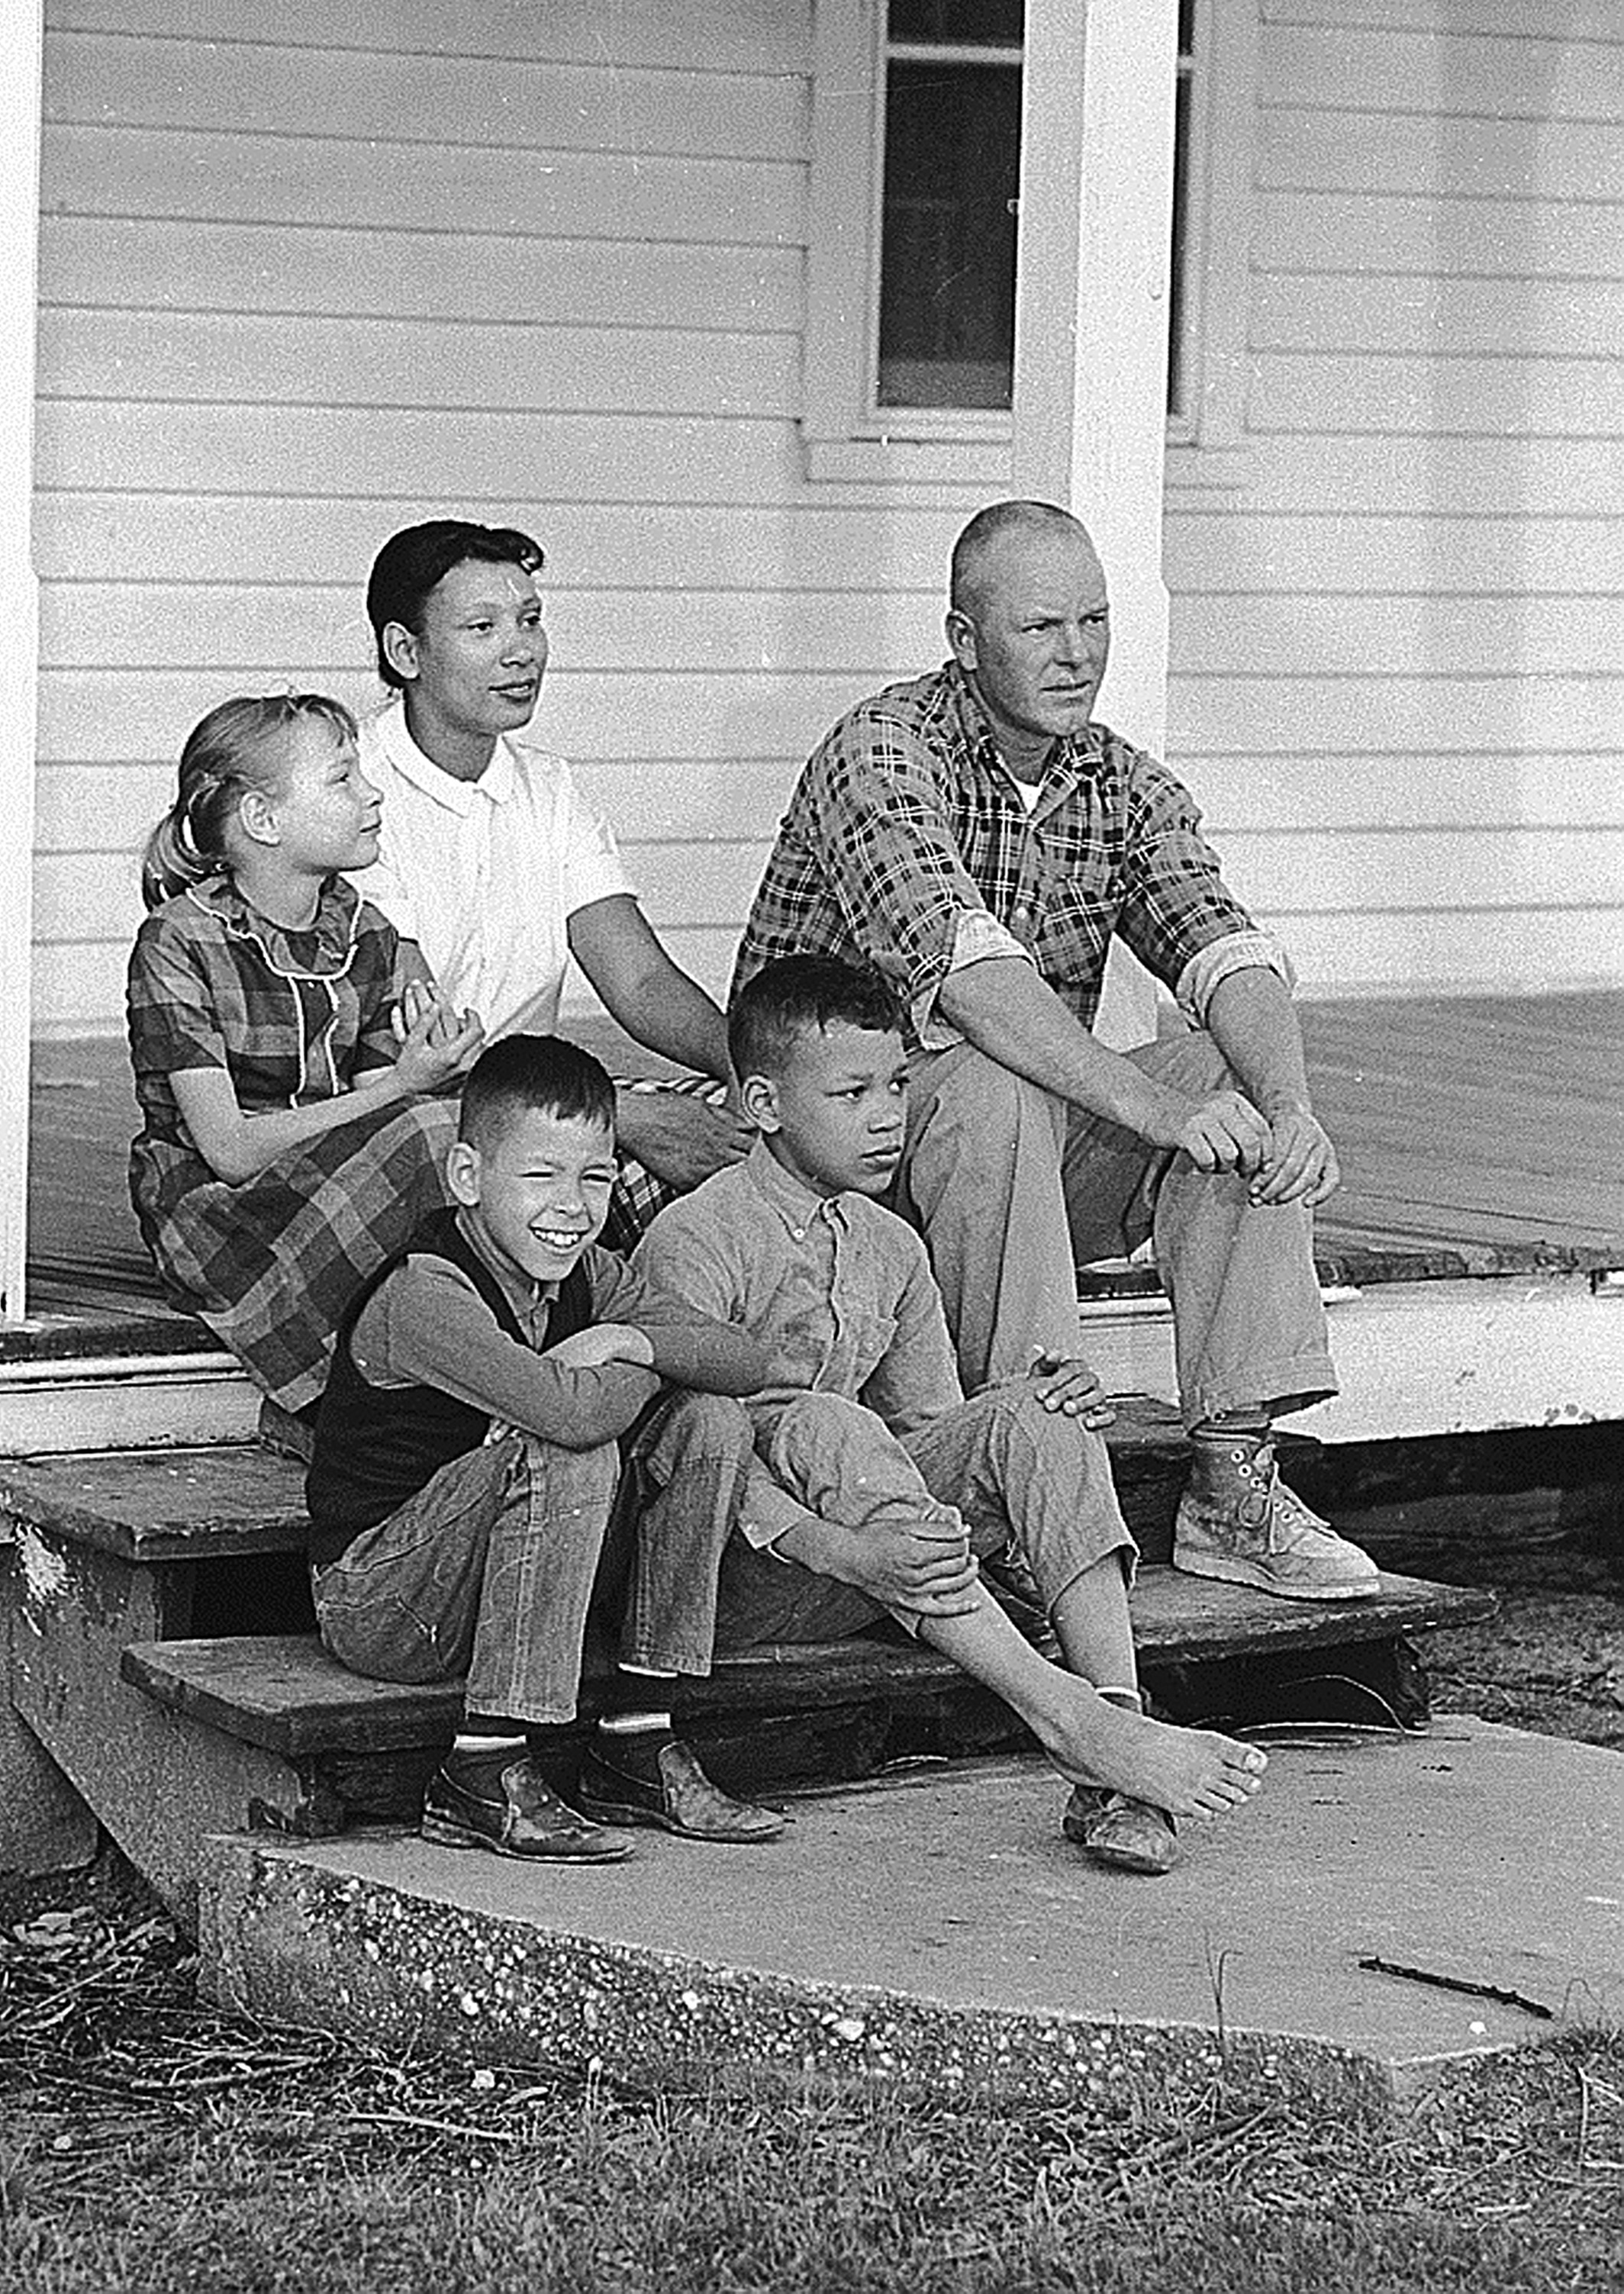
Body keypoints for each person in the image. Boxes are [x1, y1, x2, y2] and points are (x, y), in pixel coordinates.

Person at [735, 501, 1379, 1604]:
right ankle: (1033, 1487)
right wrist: (1153, 1111)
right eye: (1039, 627)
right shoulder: (881, 751)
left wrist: (1288, 1105)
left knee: (1232, 1084)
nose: (1074, 653)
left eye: (1092, 620)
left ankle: (1230, 1481)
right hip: (829, 1175)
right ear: (960, 636)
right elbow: (969, 982)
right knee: (994, 1078)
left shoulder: (1117, 780)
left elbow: (1225, 947)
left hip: (1005, 1176)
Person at [633, 956, 1268, 1874]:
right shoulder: (696, 1236)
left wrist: (1024, 1414)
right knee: (820, 1424)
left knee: (1040, 1411)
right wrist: (833, 1544)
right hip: (739, 1571)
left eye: (896, 1082)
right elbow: (677, 1448)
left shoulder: (889, 1243)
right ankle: (1068, 1719)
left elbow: (928, 1435)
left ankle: (1116, 1749)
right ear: (763, 1104)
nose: (888, 1113)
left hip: (880, 1561)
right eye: (851, 1092)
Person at [307, 1033, 786, 1862]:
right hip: (383, 1601)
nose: (571, 1204)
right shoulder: (425, 1290)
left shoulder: (587, 1278)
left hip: (503, 1588)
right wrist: (630, 1360)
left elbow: (743, 1358)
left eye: (593, 1176)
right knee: (569, 1448)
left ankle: (637, 1734)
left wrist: (619, 1340)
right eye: (540, 1175)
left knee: (711, 1417)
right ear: (467, 1177)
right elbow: (566, 1417)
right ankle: (482, 1766)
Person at [352, 517, 747, 1235]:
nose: (521, 651)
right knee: (627, 1153)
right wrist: (618, 1115)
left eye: (529, 620)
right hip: (405, 1111)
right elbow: (418, 1045)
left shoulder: (548, 788)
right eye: (482, 628)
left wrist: (752, 1073)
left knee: (765, 1136)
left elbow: (639, 982)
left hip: (531, 1105)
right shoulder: (351, 789)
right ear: (405, 651)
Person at [127, 693, 482, 1419]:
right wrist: (410, 1090)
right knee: (434, 1134)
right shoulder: (179, 940)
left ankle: (458, 1373)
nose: (372, 793)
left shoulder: (366, 930)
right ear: (262, 819)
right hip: (223, 1213)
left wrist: (429, 1069)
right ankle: (354, 1405)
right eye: (342, 779)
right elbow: (228, 1149)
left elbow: (390, 1105)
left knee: (480, 1136)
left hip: (330, 1186)